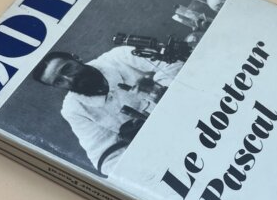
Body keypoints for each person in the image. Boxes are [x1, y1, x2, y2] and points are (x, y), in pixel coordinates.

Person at [32, 45, 183, 174]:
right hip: (166, 146)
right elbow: (105, 160)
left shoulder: (120, 56)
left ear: (76, 58)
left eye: (67, 68)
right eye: (59, 81)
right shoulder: (73, 109)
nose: (70, 79)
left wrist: (161, 93)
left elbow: (175, 65)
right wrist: (147, 158)